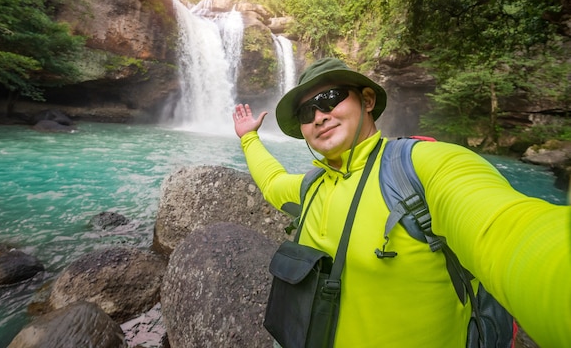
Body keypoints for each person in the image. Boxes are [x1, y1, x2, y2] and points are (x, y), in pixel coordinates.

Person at [232, 57, 571, 348]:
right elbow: (273, 182)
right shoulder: (311, 186)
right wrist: (249, 137)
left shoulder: (423, 167)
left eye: (331, 98)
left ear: (366, 100)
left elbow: (507, 230)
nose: (319, 116)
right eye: (307, 111)